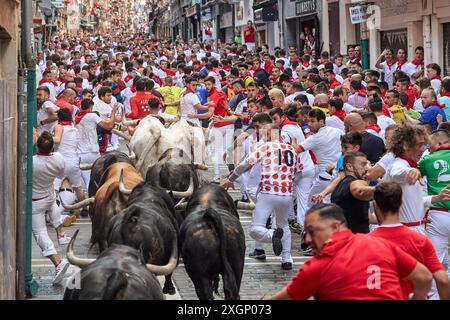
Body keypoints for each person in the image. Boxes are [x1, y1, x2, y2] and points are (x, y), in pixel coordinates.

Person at [267, 203, 433, 300]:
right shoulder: (380, 244)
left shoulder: (318, 266)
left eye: (312, 231)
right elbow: (424, 277)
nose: (308, 240)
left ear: (334, 226)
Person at [222, 123, 297, 270]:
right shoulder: (291, 150)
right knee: (284, 225)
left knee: (256, 230)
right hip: (287, 194)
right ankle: (287, 259)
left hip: (268, 192)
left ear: (270, 134)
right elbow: (297, 171)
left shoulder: (266, 147)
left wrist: (231, 179)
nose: (263, 136)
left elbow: (246, 164)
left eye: (264, 134)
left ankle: (273, 235)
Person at [370, 181, 450, 300]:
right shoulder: (420, 240)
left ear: (375, 205)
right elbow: (443, 280)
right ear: (401, 203)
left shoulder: (367, 241)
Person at [383, 125, 450, 234]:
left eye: (424, 144)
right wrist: (410, 171)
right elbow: (396, 172)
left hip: (415, 230)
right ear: (405, 145)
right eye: (419, 144)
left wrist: (436, 198)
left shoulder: (410, 165)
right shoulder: (399, 165)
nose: (423, 149)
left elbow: (416, 202)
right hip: (406, 232)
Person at [32, 132, 73, 284]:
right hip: (49, 193)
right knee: (54, 211)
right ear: (52, 146)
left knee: (40, 234)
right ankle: (61, 235)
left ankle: (58, 262)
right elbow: (61, 174)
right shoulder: (59, 158)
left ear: (37, 146)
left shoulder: (32, 162)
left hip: (36, 201)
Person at [417, 129, 450, 298]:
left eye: (429, 145)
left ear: (439, 144)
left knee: (433, 259)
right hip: (440, 214)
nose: (427, 149)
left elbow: (414, 176)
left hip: (439, 214)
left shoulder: (428, 159)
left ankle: (432, 295)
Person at [293, 109, 343, 205]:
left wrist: (293, 140)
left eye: (312, 121)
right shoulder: (337, 131)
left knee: (309, 204)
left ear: (321, 121)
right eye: (308, 121)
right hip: (338, 176)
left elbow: (296, 149)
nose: (309, 124)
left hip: (325, 178)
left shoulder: (314, 138)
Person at [75, 98, 118, 189]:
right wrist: (113, 112)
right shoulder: (92, 116)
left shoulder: (75, 117)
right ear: (91, 107)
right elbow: (109, 126)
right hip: (93, 153)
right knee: (99, 181)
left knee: (87, 182)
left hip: (79, 155)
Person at [330, 152, 373, 233]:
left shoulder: (341, 185)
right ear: (349, 167)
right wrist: (383, 189)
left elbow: (364, 216)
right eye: (363, 165)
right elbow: (359, 189)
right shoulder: (355, 183)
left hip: (343, 238)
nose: (367, 168)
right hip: (356, 241)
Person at [52, 108, 85, 207]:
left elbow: (57, 140)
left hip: (60, 161)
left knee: (54, 189)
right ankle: (84, 208)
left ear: (59, 117)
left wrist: (44, 136)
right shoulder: (74, 129)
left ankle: (53, 211)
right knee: (78, 187)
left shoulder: (59, 126)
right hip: (73, 161)